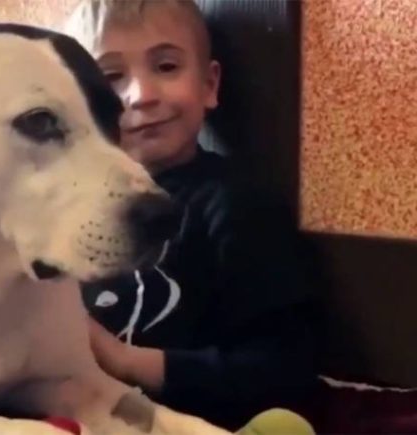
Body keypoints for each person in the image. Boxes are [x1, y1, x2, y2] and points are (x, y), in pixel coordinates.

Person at [64, 0, 319, 430]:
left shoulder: (239, 205)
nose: (142, 95)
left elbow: (283, 368)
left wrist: (125, 360)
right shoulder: (61, 207)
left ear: (209, 85)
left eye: (166, 66)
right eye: (111, 77)